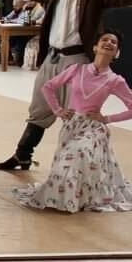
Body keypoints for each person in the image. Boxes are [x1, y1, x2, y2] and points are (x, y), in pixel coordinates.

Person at [0, 0, 132, 172]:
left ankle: (74, 164)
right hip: (52, 57)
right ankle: (23, 155)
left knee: (74, 113)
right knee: (39, 108)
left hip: (77, 60)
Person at [12, 30, 132, 212]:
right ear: (95, 47)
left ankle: (71, 202)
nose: (108, 43)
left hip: (94, 129)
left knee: (80, 153)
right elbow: (48, 87)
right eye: (104, 39)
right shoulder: (77, 70)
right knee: (68, 165)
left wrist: (107, 118)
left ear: (117, 53)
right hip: (72, 126)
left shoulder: (115, 80)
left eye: (113, 42)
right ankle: (69, 197)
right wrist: (58, 110)